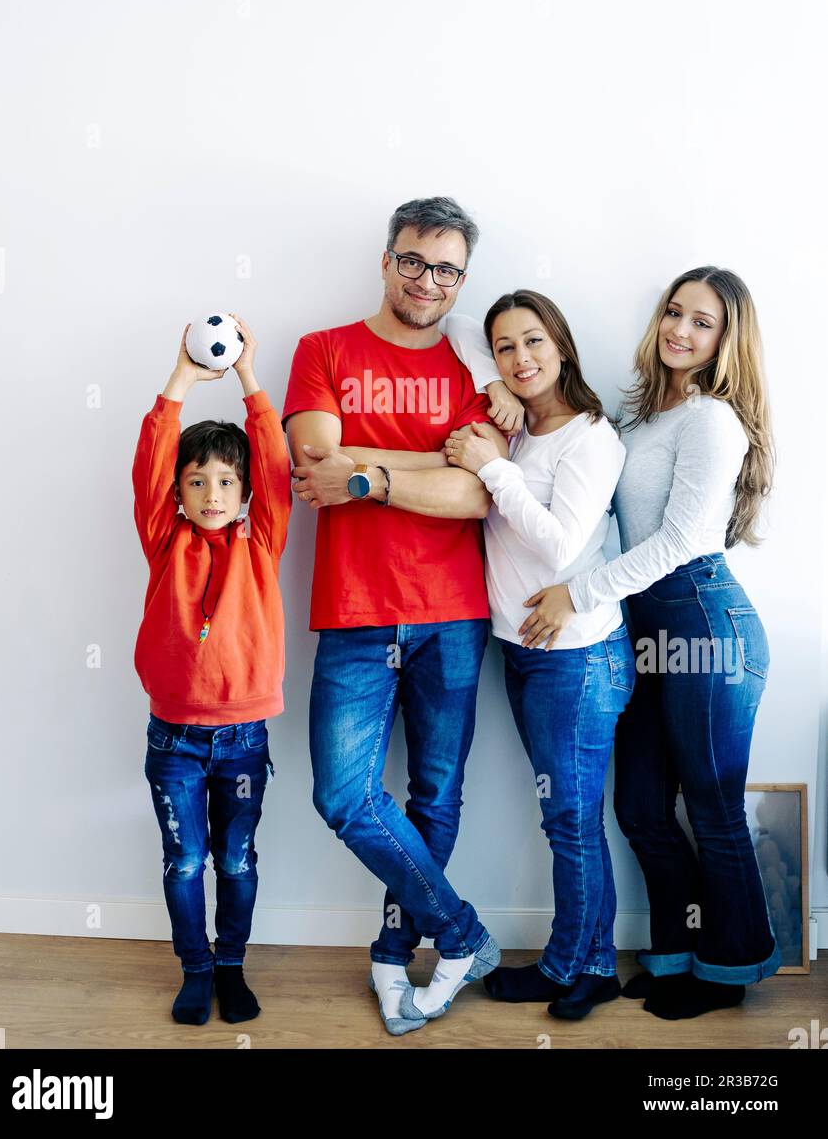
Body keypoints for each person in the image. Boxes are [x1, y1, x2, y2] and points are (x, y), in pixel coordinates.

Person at [520, 268, 780, 1019]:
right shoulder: (639, 423)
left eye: (703, 323)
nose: (681, 331)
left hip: (706, 625)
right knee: (638, 805)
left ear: (727, 342)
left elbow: (676, 542)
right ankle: (675, 952)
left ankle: (728, 971)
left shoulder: (712, 421)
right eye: (674, 313)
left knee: (712, 805)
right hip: (644, 631)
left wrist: (578, 594)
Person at [282, 197, 510, 1035]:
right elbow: (314, 458)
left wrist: (369, 477)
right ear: (387, 259)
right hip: (354, 612)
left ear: (461, 281)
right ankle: (462, 932)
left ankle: (394, 953)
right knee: (343, 795)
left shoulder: (475, 375)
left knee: (436, 796)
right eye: (414, 260)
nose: (428, 280)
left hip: (454, 613)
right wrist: (421, 466)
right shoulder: (324, 349)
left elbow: (475, 493)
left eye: (447, 268)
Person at [441, 294, 636, 1020]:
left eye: (533, 342)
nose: (520, 359)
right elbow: (459, 323)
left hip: (577, 660)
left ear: (562, 344)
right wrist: (491, 385)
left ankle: (564, 968)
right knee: (574, 818)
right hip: (526, 651)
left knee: (571, 822)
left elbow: (559, 543)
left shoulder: (591, 438)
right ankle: (594, 967)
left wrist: (494, 468)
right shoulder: (522, 421)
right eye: (505, 348)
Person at [132, 315, 291, 1025]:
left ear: (244, 491)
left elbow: (279, 468)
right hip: (174, 739)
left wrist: (252, 379)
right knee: (186, 864)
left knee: (237, 862)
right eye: (197, 482)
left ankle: (231, 965)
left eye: (227, 481)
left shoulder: (261, 542)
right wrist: (183, 380)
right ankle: (195, 968)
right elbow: (151, 461)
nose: (213, 494)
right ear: (179, 494)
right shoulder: (166, 540)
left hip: (245, 738)